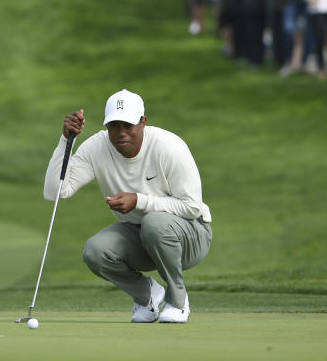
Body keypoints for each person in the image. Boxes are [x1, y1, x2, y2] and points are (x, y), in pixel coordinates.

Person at [47, 89, 211, 324]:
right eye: (114, 125)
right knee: (96, 251)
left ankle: (178, 301)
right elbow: (56, 191)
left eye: (128, 125)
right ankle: (147, 296)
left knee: (154, 222)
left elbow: (192, 207)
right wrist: (66, 141)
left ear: (143, 122)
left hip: (192, 235)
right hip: (142, 235)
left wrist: (139, 200)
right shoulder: (97, 147)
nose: (120, 133)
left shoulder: (169, 146)